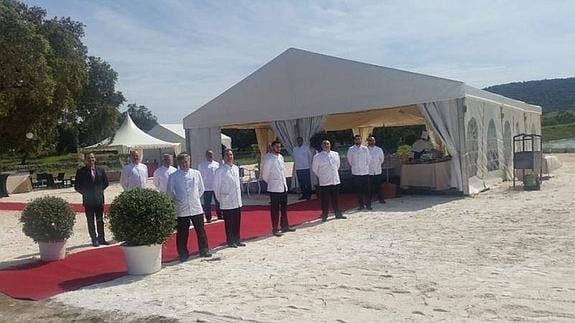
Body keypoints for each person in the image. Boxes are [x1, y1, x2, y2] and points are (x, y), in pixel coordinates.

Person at [166, 153, 211, 261]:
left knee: (200, 230)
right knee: (182, 233)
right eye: (182, 162)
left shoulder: (196, 173)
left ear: (189, 161)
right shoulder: (173, 176)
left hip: (196, 207)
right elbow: (169, 192)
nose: (184, 164)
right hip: (182, 208)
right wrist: (178, 200)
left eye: (186, 162)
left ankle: (204, 250)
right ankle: (183, 254)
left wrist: (194, 198)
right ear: (179, 163)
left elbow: (201, 189)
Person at [74, 153, 110, 247]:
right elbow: (77, 186)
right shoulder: (81, 171)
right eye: (89, 158)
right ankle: (94, 239)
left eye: (93, 157)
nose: (91, 159)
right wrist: (86, 193)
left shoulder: (100, 170)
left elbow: (106, 183)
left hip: (99, 199)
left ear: (95, 159)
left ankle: (101, 238)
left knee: (99, 220)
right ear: (85, 160)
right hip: (88, 201)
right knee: (90, 221)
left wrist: (98, 191)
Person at [262, 140, 295, 236]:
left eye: (280, 147)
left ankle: (285, 225)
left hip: (283, 185)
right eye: (277, 147)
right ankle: (275, 228)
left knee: (284, 208)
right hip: (274, 187)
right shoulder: (268, 159)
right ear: (272, 147)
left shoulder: (281, 157)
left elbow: (282, 171)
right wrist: (272, 182)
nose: (279, 149)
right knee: (275, 209)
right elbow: (265, 174)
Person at [214, 149, 245, 248]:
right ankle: (230, 241)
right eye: (227, 155)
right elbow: (216, 187)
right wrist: (221, 199)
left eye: (231, 155)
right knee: (229, 222)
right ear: (224, 157)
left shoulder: (235, 168)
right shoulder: (220, 170)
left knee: (237, 221)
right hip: (226, 200)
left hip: (236, 200)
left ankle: (237, 239)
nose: (229, 157)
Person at [312, 140, 346, 222]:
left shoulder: (335, 154)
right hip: (324, 181)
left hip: (334, 180)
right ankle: (324, 215)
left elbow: (337, 165)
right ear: (322, 146)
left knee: (336, 199)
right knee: (325, 200)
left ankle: (338, 214)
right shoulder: (317, 157)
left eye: (328, 144)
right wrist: (322, 175)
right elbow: (314, 169)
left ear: (330, 145)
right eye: (324, 144)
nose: (326, 145)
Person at [347, 134, 371, 210]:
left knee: (367, 190)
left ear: (361, 140)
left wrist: (365, 167)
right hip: (356, 172)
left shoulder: (365, 148)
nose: (358, 140)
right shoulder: (351, 149)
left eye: (359, 139)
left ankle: (368, 205)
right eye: (356, 139)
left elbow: (368, 159)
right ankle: (361, 205)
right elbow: (350, 160)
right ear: (354, 140)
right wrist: (355, 166)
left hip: (365, 172)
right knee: (358, 190)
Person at [198, 150, 222, 223]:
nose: (210, 156)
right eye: (209, 154)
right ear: (206, 155)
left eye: (211, 154)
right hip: (207, 187)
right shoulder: (202, 165)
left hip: (215, 186)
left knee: (218, 202)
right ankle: (208, 217)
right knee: (207, 204)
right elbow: (200, 176)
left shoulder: (217, 164)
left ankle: (220, 215)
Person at [367, 136, 386, 204]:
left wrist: (377, 165)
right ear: (368, 142)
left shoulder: (379, 149)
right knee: (369, 187)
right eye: (370, 140)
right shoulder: (365, 150)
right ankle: (369, 200)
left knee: (379, 186)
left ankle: (381, 199)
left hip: (377, 170)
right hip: (369, 171)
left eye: (372, 140)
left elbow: (381, 159)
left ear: (375, 141)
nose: (371, 142)